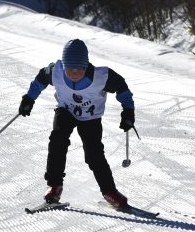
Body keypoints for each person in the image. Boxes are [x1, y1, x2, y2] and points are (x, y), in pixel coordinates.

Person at [19, 39, 135, 208]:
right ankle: (54, 186)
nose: (74, 73)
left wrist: (128, 112)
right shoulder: (55, 71)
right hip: (65, 111)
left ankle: (109, 191)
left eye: (79, 69)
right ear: (64, 65)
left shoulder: (101, 76)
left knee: (94, 153)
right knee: (57, 141)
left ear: (86, 66)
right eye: (70, 69)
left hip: (91, 118)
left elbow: (122, 88)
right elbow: (40, 80)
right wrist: (29, 98)